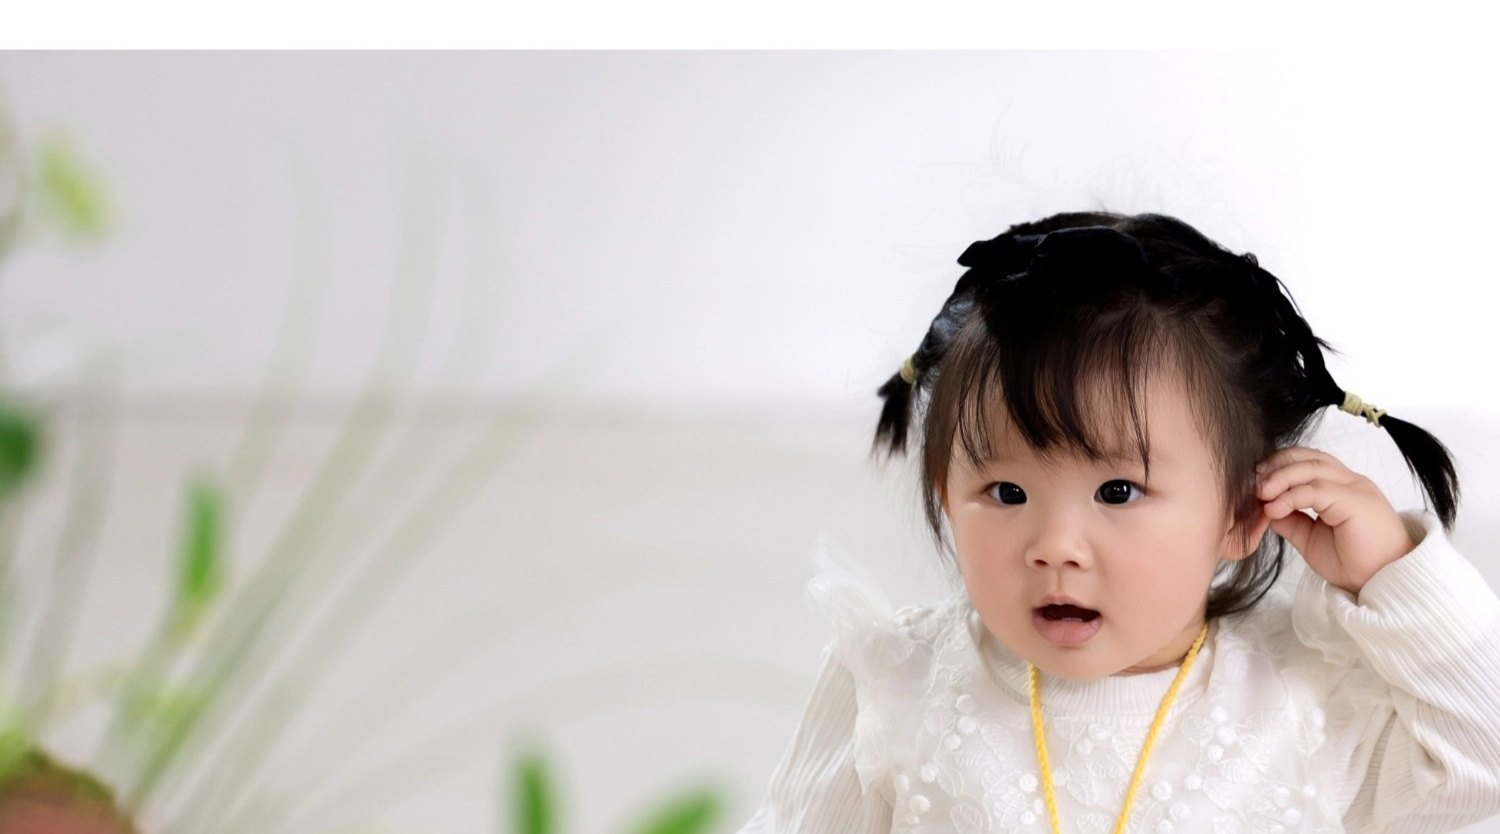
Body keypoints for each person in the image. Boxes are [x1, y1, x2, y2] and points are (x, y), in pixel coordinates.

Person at [734, 212, 1500, 834]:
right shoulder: (901, 685)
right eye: (1006, 492)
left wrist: (1394, 574)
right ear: (945, 492)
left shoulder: (1305, 696)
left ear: (1242, 511)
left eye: (1118, 491)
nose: (1055, 548)